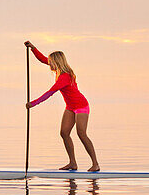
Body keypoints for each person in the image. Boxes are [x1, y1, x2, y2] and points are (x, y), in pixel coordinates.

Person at [24, 41, 100, 172]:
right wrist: (33, 48)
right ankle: (72, 163)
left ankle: (95, 164)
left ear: (57, 62)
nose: (49, 64)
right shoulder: (59, 71)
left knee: (81, 133)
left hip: (81, 106)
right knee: (64, 133)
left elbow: (50, 93)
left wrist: (33, 103)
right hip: (70, 107)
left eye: (51, 62)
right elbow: (43, 59)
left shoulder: (64, 77)